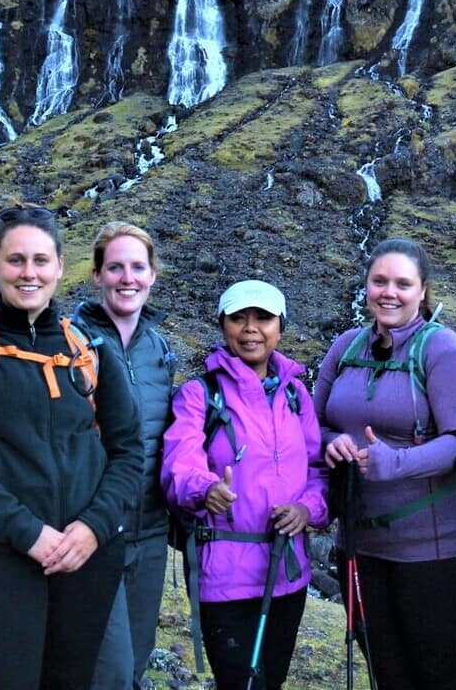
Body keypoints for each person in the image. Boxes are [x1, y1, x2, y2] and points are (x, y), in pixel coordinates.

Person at [0, 206, 142, 690]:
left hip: (87, 556)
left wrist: (92, 528)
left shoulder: (90, 349)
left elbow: (128, 451)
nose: (29, 272)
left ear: (61, 266)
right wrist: (28, 533)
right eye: (15, 260)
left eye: (41, 260)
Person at [312, 238, 456, 690]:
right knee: (387, 676)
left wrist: (398, 463)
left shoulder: (445, 351)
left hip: (436, 552)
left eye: (403, 284)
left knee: (438, 678)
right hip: (362, 547)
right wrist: (333, 444)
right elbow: (313, 424)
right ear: (366, 285)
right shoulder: (346, 347)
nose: (389, 292)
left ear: (423, 291)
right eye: (380, 281)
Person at [161, 280, 328, 690]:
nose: (250, 328)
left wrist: (308, 509)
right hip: (224, 575)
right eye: (238, 318)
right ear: (223, 325)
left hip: (288, 572)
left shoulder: (296, 395)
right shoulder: (199, 396)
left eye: (263, 318)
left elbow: (318, 469)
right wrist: (206, 489)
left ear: (280, 327)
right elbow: (179, 464)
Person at [70, 222, 177, 690]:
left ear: (153, 275)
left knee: (132, 666)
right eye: (115, 267)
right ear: (96, 275)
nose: (127, 278)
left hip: (150, 533)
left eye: (137, 267)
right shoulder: (70, 341)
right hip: (95, 530)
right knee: (104, 670)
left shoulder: (161, 349)